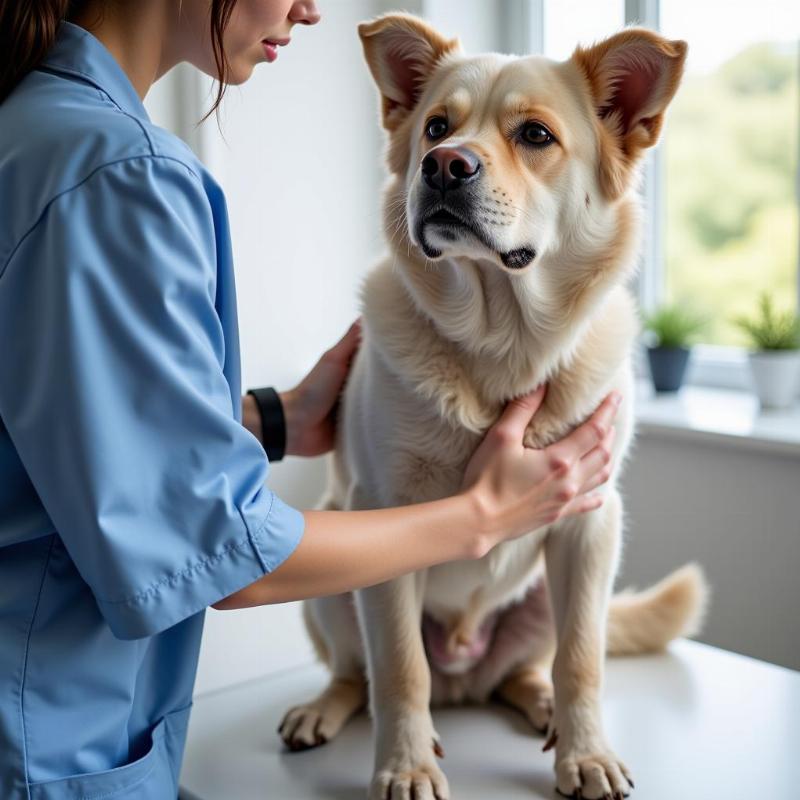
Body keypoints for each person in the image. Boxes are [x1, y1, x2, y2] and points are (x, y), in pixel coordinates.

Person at [0, 1, 621, 798]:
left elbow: (48, 417)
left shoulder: (37, 126)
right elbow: (215, 553)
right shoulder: (113, 171)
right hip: (44, 736)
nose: (309, 6)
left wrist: (275, 418)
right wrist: (483, 517)